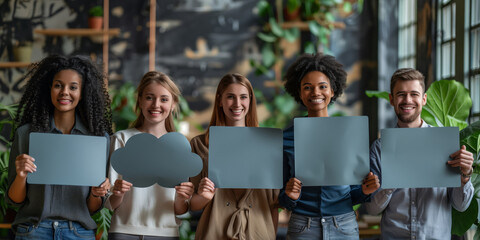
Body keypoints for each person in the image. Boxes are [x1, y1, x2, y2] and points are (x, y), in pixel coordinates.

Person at [7, 54, 112, 239]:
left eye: (73, 87)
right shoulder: (26, 135)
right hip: (33, 230)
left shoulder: (98, 140)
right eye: (58, 85)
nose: (64, 92)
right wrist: (21, 176)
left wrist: (97, 194)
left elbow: (92, 208)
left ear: (83, 92)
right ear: (49, 89)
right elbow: (15, 201)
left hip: (78, 233)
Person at [279, 53, 380, 239]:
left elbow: (354, 193)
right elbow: (280, 195)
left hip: (344, 225)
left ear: (333, 91)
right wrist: (289, 196)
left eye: (322, 86)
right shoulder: (287, 138)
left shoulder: (350, 135)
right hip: (303, 227)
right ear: (300, 93)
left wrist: (366, 191)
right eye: (307, 87)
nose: (315, 92)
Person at [364, 68, 474, 239]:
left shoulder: (444, 143)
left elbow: (461, 206)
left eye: (414, 94)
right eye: (401, 94)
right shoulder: (379, 148)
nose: (407, 100)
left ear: (424, 99)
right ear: (391, 99)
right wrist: (392, 181)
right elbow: (372, 209)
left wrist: (465, 176)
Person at [189, 73, 279, 240]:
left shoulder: (268, 144)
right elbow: (192, 205)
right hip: (214, 232)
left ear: (250, 100)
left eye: (243, 97)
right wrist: (202, 196)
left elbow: (273, 205)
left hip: (258, 232)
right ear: (220, 101)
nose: (237, 103)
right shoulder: (199, 144)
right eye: (230, 97)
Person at [106, 71, 194, 240]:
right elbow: (111, 204)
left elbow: (180, 209)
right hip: (124, 232)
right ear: (139, 100)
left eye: (164, 99)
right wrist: (117, 192)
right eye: (149, 97)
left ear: (174, 103)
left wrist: (183, 197)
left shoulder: (179, 146)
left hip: (166, 233)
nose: (156, 105)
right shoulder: (121, 139)